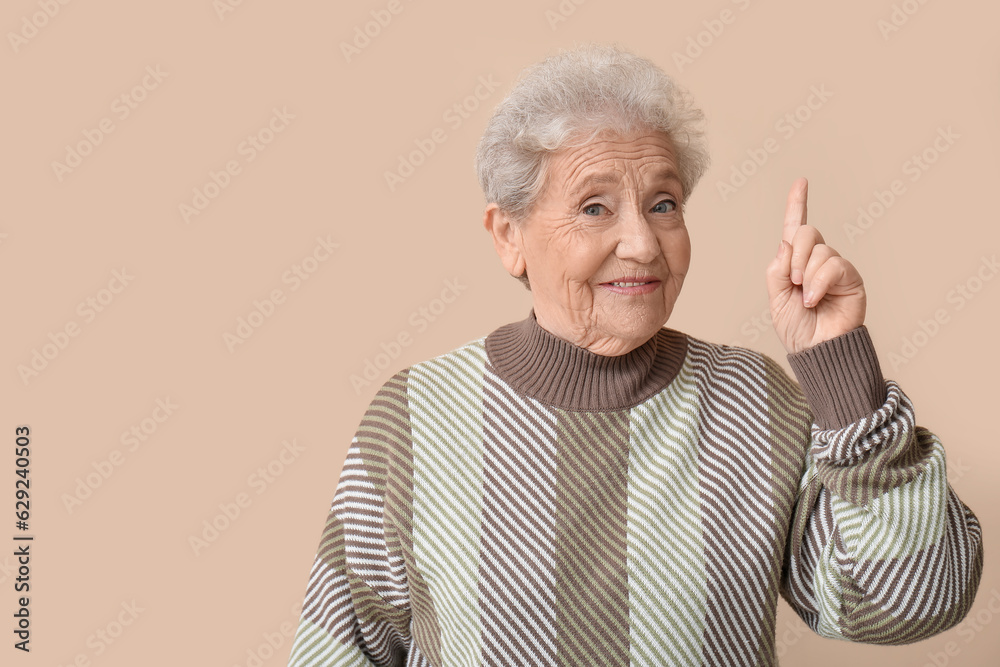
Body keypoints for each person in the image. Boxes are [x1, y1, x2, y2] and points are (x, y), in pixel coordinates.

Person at [286, 43, 983, 666]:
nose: (645, 245)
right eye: (594, 207)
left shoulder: (752, 400)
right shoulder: (415, 415)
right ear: (509, 235)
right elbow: (335, 650)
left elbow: (915, 599)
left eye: (663, 204)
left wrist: (842, 373)